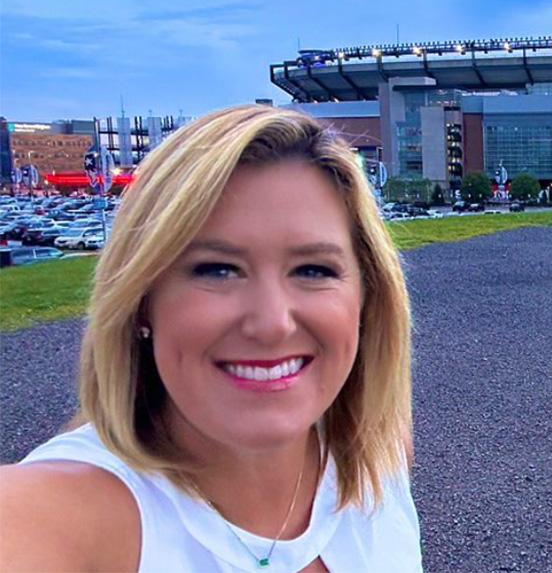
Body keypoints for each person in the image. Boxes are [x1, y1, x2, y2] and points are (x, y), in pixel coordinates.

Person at [0, 106, 422, 571]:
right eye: (217, 269)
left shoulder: (376, 456)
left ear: (367, 298)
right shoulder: (58, 514)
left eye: (313, 270)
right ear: (142, 300)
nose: (272, 323)